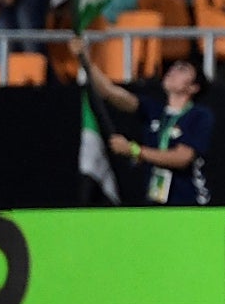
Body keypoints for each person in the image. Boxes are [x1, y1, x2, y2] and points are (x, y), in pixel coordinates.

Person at [73, 38, 213, 206]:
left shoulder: (198, 115)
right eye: (173, 67)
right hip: (155, 203)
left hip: (187, 203)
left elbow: (182, 158)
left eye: (182, 70)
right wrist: (85, 59)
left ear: (193, 87)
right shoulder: (154, 111)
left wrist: (135, 150)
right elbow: (109, 92)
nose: (173, 71)